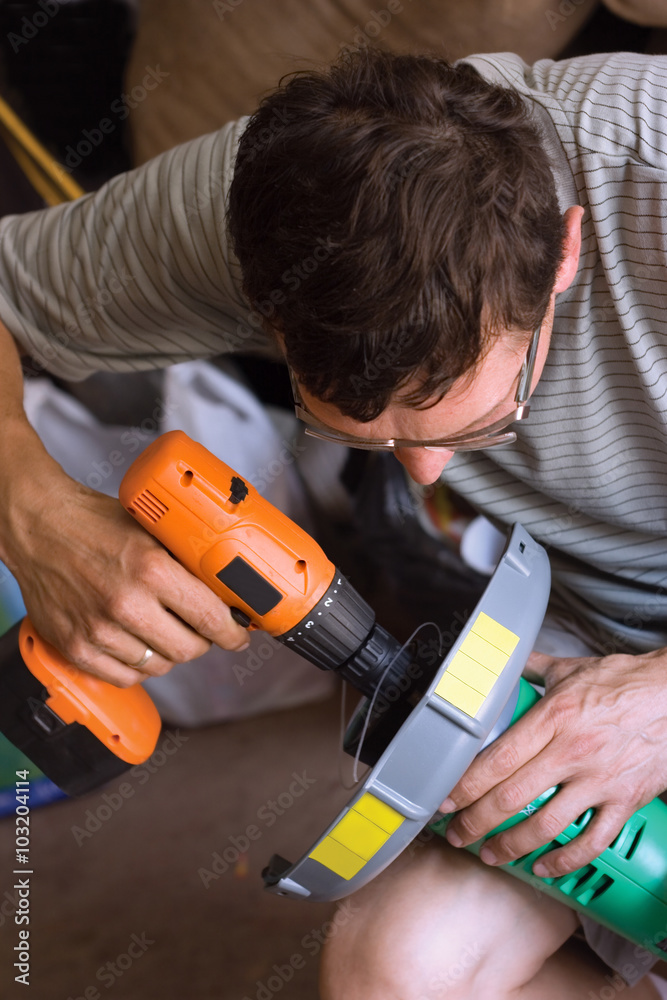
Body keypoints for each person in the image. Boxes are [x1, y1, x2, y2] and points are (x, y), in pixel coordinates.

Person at [1, 44, 667, 997]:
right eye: (359, 433)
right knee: (391, 972)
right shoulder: (267, 210)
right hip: (580, 638)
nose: (430, 471)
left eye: (484, 422)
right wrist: (34, 512)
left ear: (563, 251)